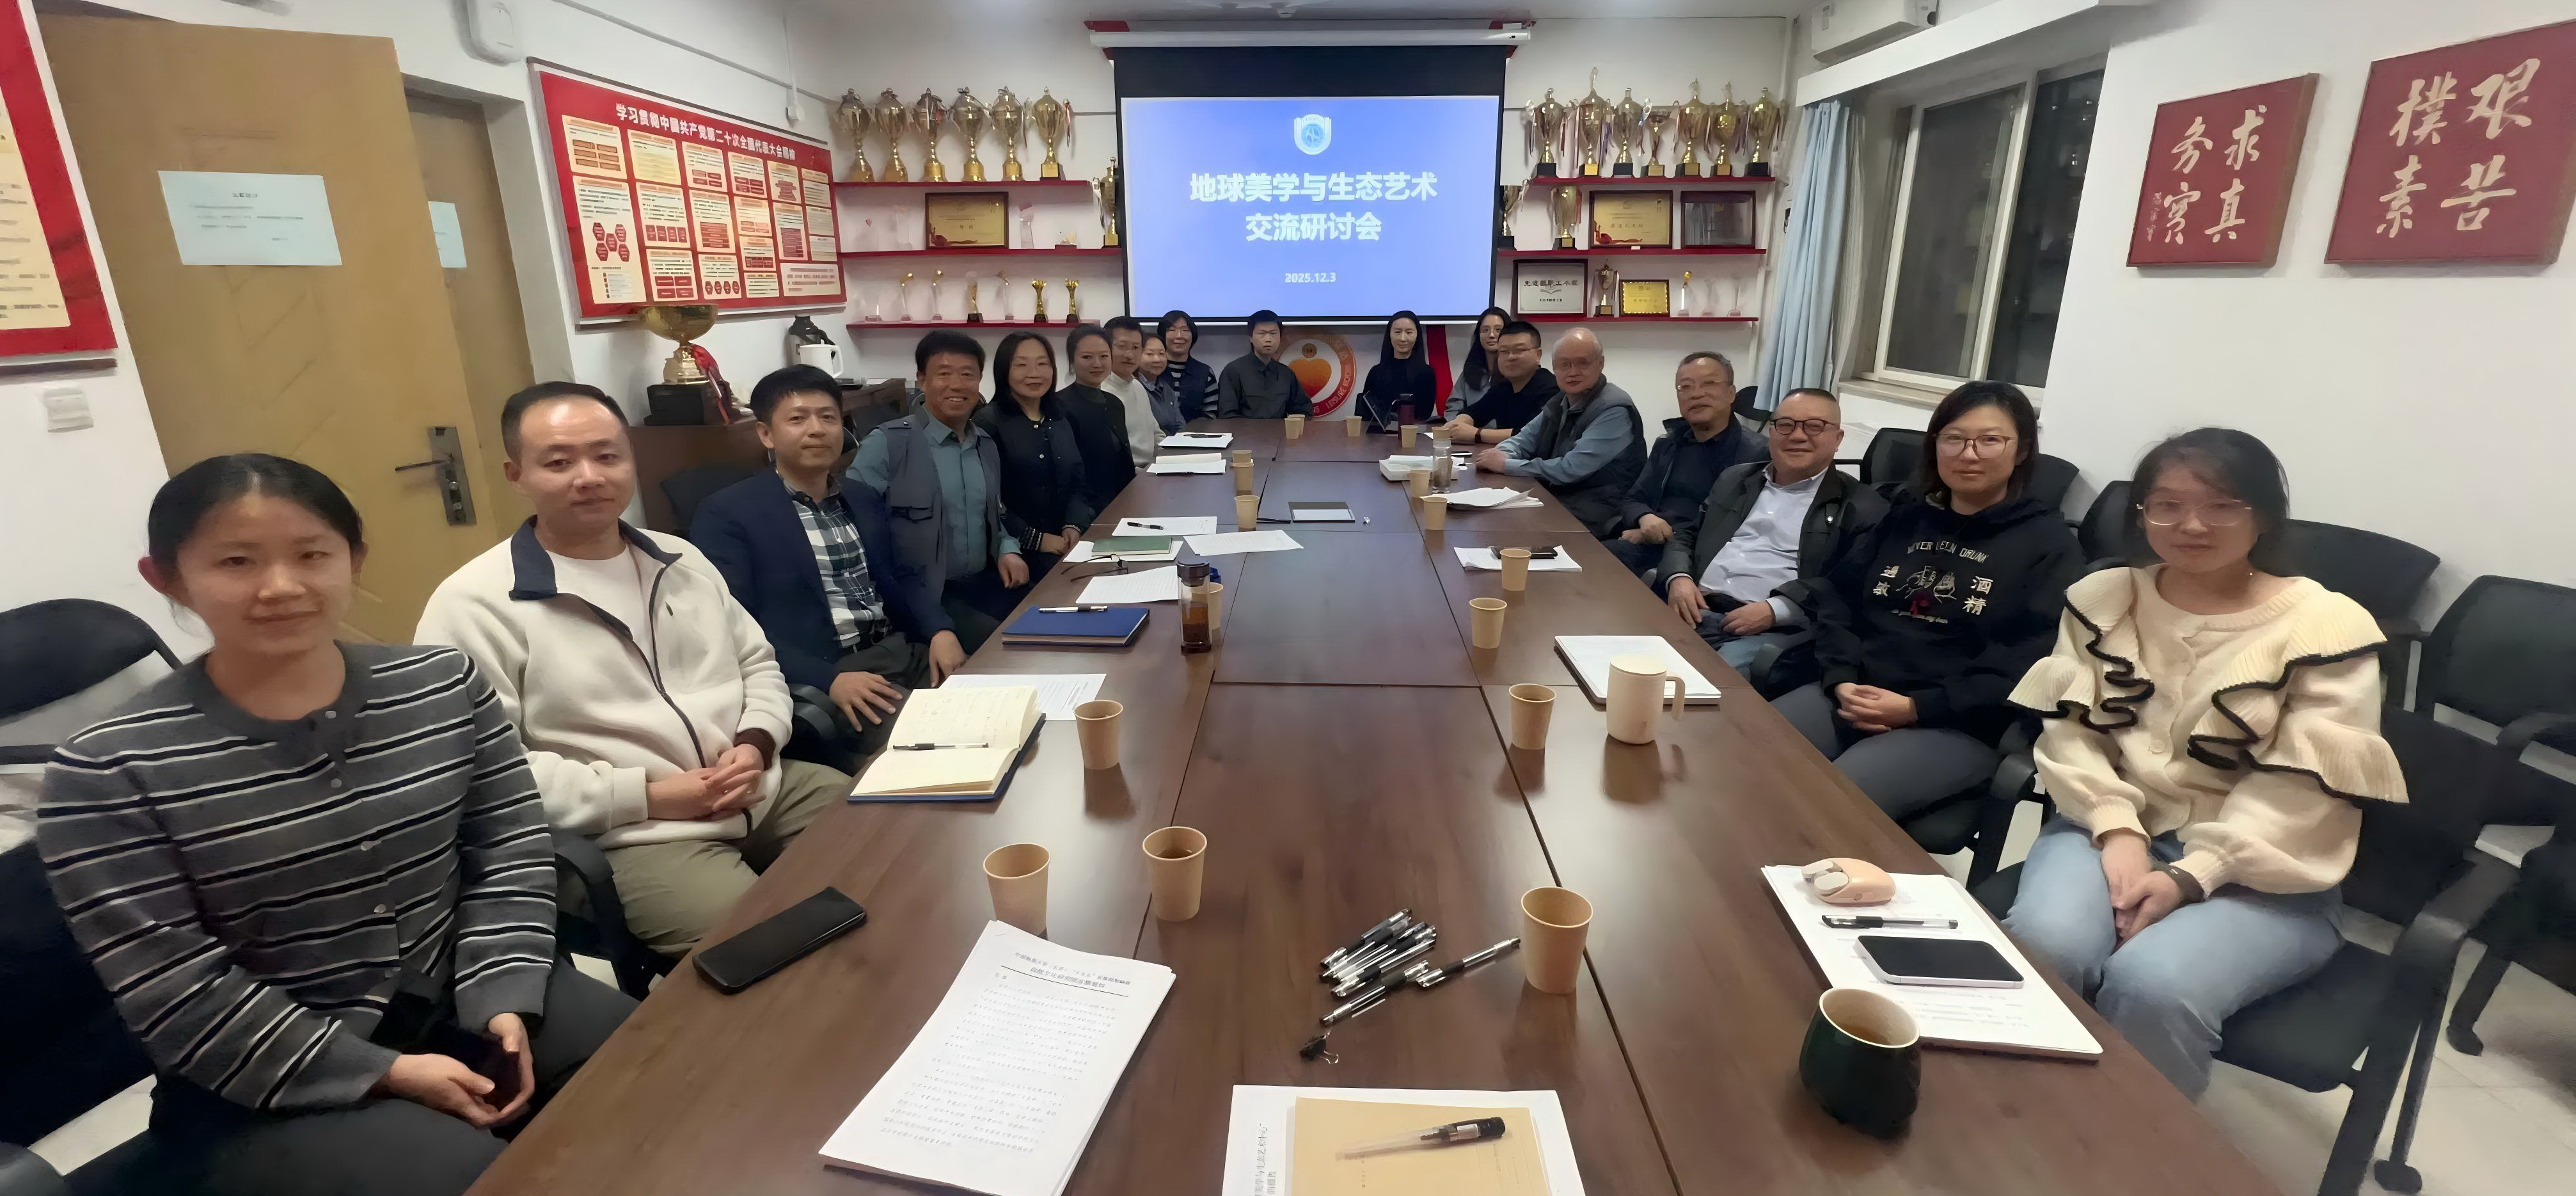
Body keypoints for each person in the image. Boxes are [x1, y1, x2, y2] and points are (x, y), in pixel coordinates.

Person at [39, 454, 633, 1196]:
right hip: (258, 1079)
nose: (281, 586)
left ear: (354, 557)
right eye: (236, 561)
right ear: (168, 579)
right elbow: (176, 988)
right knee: (473, 1176)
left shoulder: (442, 687)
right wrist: (383, 1072)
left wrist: (502, 990)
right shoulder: (107, 769)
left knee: (652, 1072)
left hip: (463, 997)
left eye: (312, 554)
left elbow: (508, 849)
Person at [2003, 428, 2404, 1097]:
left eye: (2222, 505)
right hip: (2104, 832)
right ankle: (2025, 1114)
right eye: (2166, 505)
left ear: (2264, 515)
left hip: (2266, 871)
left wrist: (2194, 875)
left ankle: (2136, 1147)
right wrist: (2116, 827)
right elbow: (2071, 735)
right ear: (2141, 514)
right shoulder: (2106, 598)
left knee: (2152, 984)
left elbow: (2303, 796)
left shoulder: (2325, 626)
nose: (2191, 525)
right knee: (2047, 947)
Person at [418, 383, 851, 961]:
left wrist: (756, 742)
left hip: (760, 787)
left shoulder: (681, 559)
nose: (589, 476)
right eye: (559, 462)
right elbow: (485, 768)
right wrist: (645, 796)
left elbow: (757, 663)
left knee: (890, 843)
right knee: (767, 948)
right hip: (633, 834)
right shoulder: (474, 603)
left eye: (607, 455)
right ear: (515, 474)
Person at [1773, 381, 2083, 818]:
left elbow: (2029, 661)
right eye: (1953, 438)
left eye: (1989, 440)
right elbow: (1837, 601)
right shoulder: (1904, 517)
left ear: (2022, 451)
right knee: (1749, 748)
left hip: (1956, 721)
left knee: (1830, 804)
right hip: (1854, 693)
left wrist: (1916, 707)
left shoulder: (2048, 544)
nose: (1968, 454)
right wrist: (1840, 679)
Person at [691, 366, 967, 760]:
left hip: (900, 651)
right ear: (766, 434)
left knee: (994, 703)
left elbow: (904, 575)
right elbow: (734, 627)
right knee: (946, 743)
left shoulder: (861, 497)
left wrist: (939, 629)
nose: (817, 430)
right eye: (798, 419)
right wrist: (828, 679)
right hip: (833, 673)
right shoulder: (728, 514)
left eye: (828, 417)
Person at [1655, 387, 1881, 669]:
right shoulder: (1735, 479)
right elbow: (1687, 534)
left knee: (1699, 682)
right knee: (1618, 647)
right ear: (1772, 432)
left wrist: (1778, 610)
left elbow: (1848, 586)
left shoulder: (1861, 507)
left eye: (1814, 427)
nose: (1797, 436)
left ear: (1838, 438)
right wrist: (1678, 577)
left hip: (1770, 633)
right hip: (1695, 608)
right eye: (1785, 425)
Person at [849, 331, 1033, 651]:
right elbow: (858, 531)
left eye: (968, 375)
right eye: (944, 374)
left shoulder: (984, 444)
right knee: (1006, 646)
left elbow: (993, 514)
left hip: (981, 583)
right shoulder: (887, 443)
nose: (957, 385)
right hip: (922, 596)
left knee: (1048, 615)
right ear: (922, 380)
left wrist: (1007, 548)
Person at [1603, 351, 1769, 573]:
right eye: (1686, 387)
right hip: (1653, 545)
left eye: (1709, 384)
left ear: (1731, 393)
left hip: (1702, 557)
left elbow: (1730, 527)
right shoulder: (1669, 444)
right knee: (1589, 558)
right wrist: (1645, 518)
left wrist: (1661, 535)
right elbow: (1633, 499)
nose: (1696, 394)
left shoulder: (1757, 454)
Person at [1473, 327, 1645, 537]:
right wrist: (1503, 455)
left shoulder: (1614, 409)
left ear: (1600, 364)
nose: (1572, 372)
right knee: (1485, 523)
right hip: (1558, 500)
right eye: (1564, 364)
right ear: (1554, 367)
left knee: (1504, 532)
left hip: (1596, 513)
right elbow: (1523, 440)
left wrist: (1505, 465)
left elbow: (1570, 469)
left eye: (1582, 363)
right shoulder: (1561, 401)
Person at [975, 332, 1096, 582]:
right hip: (1014, 556)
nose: (1034, 373)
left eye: (1043, 364)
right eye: (1021, 365)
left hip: (1067, 546)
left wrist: (1073, 525)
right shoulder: (988, 423)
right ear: (1003, 371)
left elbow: (1078, 483)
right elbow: (986, 501)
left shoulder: (1062, 417)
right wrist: (1038, 540)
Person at [1055, 323, 1139, 506]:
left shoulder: (1114, 403)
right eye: (1087, 357)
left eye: (1104, 356)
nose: (1097, 364)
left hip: (1123, 501)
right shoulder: (1059, 406)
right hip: (1084, 508)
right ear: (1072, 361)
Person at [1438, 319, 1555, 445]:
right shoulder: (1505, 386)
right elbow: (1474, 412)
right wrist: (1458, 424)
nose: (1511, 357)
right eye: (1504, 351)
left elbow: (1532, 435)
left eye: (1519, 350)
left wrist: (1477, 434)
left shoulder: (1550, 388)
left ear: (1538, 355)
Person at [1355, 310, 1441, 431]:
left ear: (1417, 336)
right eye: (1397, 332)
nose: (1403, 338)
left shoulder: (1426, 373)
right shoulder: (1376, 372)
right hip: (1378, 436)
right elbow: (1366, 414)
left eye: (1409, 332)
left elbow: (1424, 414)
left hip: (1413, 435)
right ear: (1389, 335)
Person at [1217, 309, 1310, 419]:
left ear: (1280, 337)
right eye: (1262, 333)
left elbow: (1304, 410)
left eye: (1273, 333)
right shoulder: (1233, 371)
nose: (1268, 339)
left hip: (1279, 430)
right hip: (1244, 430)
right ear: (1251, 337)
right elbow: (1227, 415)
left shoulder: (1287, 374)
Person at [1098, 315, 1162, 468]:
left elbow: (1156, 434)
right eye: (1122, 346)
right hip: (1127, 476)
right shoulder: (1099, 393)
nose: (1130, 355)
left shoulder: (1138, 386)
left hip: (1151, 471)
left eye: (1136, 348)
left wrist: (1174, 459)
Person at [1444, 305, 1510, 420]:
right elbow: (1453, 409)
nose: (1491, 335)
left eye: (1498, 330)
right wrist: (1462, 425)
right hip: (1468, 430)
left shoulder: (1516, 372)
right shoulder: (1469, 372)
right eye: (1485, 330)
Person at [1157, 309, 1218, 422]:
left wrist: (1191, 431)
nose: (1179, 336)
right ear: (1162, 335)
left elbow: (1211, 412)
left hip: (1197, 433)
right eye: (1172, 330)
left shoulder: (1205, 373)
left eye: (1185, 330)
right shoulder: (1153, 371)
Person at [1137, 331, 1187, 434]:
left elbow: (1180, 425)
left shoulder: (1166, 388)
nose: (1157, 359)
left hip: (1172, 443)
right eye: (1150, 354)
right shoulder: (1134, 388)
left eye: (1161, 354)